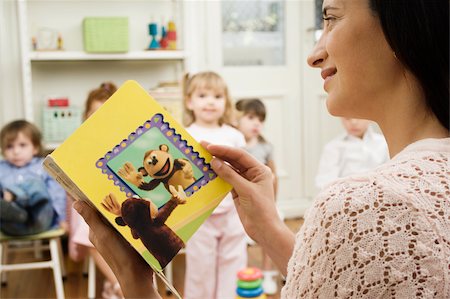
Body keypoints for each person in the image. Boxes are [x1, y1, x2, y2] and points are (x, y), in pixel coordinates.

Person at [73, 1, 449, 298]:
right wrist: (269, 228)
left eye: (331, 17)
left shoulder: (367, 203)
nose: (314, 54)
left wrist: (134, 283)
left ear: (402, 28)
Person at [181, 71, 247, 299]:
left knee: (233, 261)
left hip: (232, 210)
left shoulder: (235, 136)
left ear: (226, 102)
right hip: (201, 212)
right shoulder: (186, 135)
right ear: (189, 101)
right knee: (200, 266)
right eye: (202, 95)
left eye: (217, 96)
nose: (210, 101)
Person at [68, 82, 123, 299]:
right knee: (90, 231)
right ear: (86, 116)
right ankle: (117, 284)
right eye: (94, 113)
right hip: (90, 207)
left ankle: (122, 284)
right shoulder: (80, 144)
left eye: (106, 113)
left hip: (118, 206)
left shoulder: (125, 142)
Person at [235, 98, 279, 294]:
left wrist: (273, 202)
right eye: (251, 117)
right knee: (239, 238)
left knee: (267, 235)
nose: (256, 123)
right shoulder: (234, 144)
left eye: (260, 120)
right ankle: (243, 271)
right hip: (239, 203)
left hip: (263, 201)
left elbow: (273, 176)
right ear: (237, 119)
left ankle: (267, 272)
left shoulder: (265, 147)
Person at [0, 120, 66, 236]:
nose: (16, 151)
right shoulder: (2, 168)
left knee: (34, 183)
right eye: (9, 147)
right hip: (12, 225)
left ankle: (15, 195)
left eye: (22, 145)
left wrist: (62, 218)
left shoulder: (43, 166)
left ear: (35, 147)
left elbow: (57, 194)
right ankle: (17, 210)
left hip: (40, 218)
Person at [315, 117, 389, 189]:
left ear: (370, 117)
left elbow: (389, 176)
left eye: (359, 117)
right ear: (341, 119)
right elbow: (324, 182)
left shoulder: (385, 143)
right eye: (347, 118)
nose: (353, 122)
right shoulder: (333, 147)